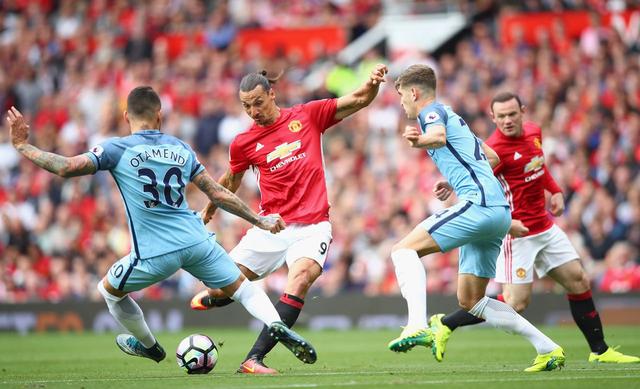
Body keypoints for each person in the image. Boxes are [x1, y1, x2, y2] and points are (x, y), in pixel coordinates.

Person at [4, 86, 317, 366]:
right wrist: (259, 219)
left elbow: (66, 167)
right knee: (244, 290)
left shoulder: (117, 148)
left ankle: (150, 347)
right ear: (160, 115)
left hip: (155, 253)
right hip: (197, 242)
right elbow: (218, 193)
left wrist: (22, 146)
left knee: (109, 291)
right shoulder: (180, 148)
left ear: (126, 115)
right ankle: (276, 324)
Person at [189, 64, 389, 374]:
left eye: (258, 102)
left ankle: (253, 359)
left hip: (312, 225)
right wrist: (209, 211)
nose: (253, 111)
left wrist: (373, 83)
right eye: (246, 106)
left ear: (272, 94)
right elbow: (230, 180)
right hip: (270, 226)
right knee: (222, 288)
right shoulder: (243, 143)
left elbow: (360, 99)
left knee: (301, 278)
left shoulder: (307, 116)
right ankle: (218, 298)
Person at [428, 92, 640, 364]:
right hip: (517, 234)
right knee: (516, 303)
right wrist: (452, 186)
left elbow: (537, 165)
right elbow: (475, 180)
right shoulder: (495, 150)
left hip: (545, 227)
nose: (507, 120)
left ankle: (600, 351)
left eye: (512, 114)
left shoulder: (533, 132)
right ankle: (445, 323)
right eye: (501, 116)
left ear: (523, 112)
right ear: (493, 117)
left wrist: (555, 190)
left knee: (579, 280)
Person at [388, 65, 564, 372]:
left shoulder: (430, 115)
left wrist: (418, 142)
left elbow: (438, 137)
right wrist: (455, 182)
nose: (401, 101)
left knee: (403, 251)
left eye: (402, 95)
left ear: (414, 93)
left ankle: (416, 325)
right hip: (498, 212)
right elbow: (492, 158)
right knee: (471, 300)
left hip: (479, 205)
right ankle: (548, 349)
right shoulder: (455, 116)